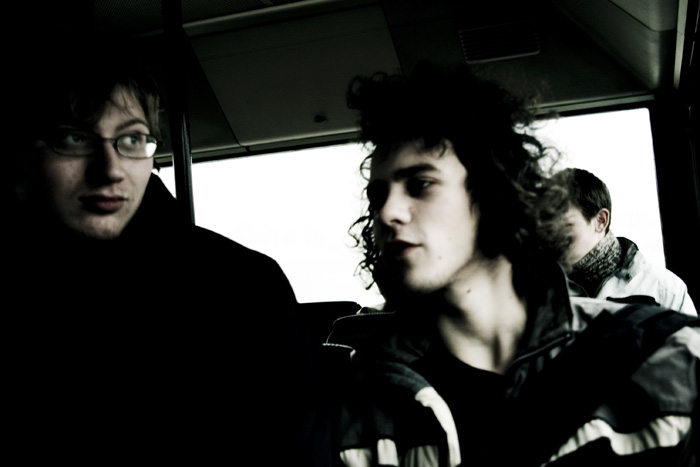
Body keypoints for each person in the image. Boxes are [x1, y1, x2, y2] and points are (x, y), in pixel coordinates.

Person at [319, 63, 700, 466]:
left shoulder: (665, 354)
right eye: (377, 196)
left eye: (420, 185)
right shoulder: (357, 398)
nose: (388, 212)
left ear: (493, 194)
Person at [5, 36, 303, 462]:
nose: (110, 170)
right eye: (75, 138)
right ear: (22, 159)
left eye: (131, 140)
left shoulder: (243, 288)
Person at [553, 167, 696, 315]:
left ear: (601, 221)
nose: (552, 234)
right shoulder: (542, 294)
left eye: (565, 225)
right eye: (547, 225)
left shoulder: (665, 290)